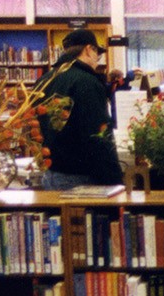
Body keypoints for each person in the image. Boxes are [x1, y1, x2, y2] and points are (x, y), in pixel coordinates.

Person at [35, 28, 123, 190]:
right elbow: (98, 134)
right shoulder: (87, 82)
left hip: (50, 174)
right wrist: (115, 179)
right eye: (98, 53)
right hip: (81, 178)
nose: (98, 59)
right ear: (89, 49)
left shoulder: (44, 80)